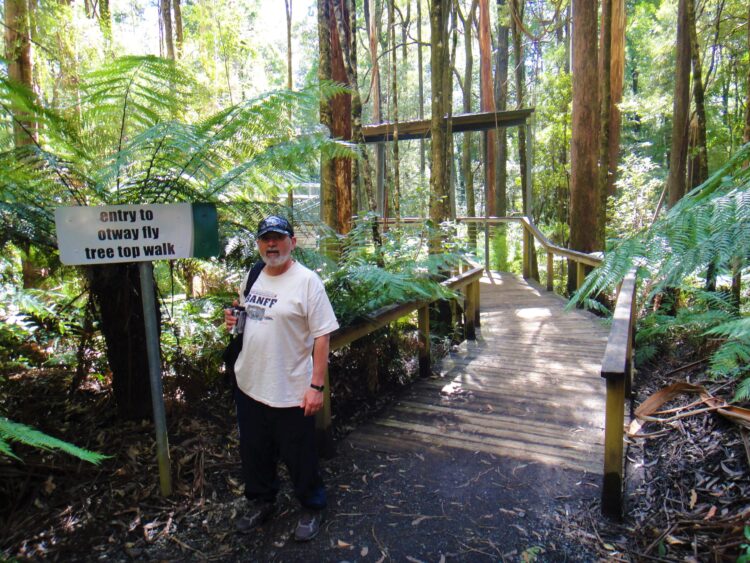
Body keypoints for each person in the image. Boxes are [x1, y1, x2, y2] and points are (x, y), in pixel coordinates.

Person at [224, 215, 339, 542]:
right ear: (259, 244)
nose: (271, 245)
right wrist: (232, 318)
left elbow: (322, 336)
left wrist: (316, 386)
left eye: (277, 238)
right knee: (255, 451)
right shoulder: (254, 274)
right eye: (265, 239)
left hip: (291, 388)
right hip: (250, 382)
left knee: (299, 454)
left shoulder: (307, 282)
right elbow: (244, 320)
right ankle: (262, 501)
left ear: (293, 241)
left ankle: (312, 506)